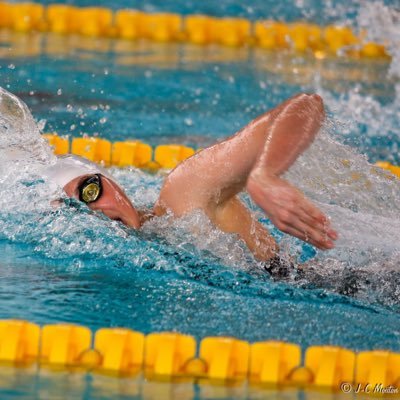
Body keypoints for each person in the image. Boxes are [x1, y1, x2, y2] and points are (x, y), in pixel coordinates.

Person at [45, 93, 338, 266]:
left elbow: (307, 105)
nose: (95, 211)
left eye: (90, 191)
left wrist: (265, 174)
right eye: (77, 211)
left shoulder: (183, 194)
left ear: (112, 181)